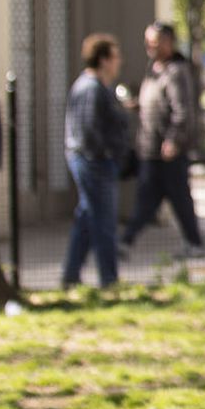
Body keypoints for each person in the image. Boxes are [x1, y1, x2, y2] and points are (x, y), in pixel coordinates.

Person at [121, 22, 205, 257]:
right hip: (149, 148)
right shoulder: (155, 69)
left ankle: (193, 243)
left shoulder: (177, 71)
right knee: (149, 200)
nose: (149, 46)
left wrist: (174, 140)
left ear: (168, 43)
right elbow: (156, 102)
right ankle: (127, 240)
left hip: (168, 150)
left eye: (154, 42)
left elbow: (183, 111)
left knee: (175, 198)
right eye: (148, 41)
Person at [61, 34, 134, 288]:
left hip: (93, 160)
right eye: (115, 57)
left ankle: (71, 275)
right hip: (94, 162)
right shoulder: (90, 89)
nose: (119, 63)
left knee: (86, 218)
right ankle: (109, 279)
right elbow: (89, 129)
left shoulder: (97, 88)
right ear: (103, 60)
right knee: (103, 221)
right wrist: (106, 155)